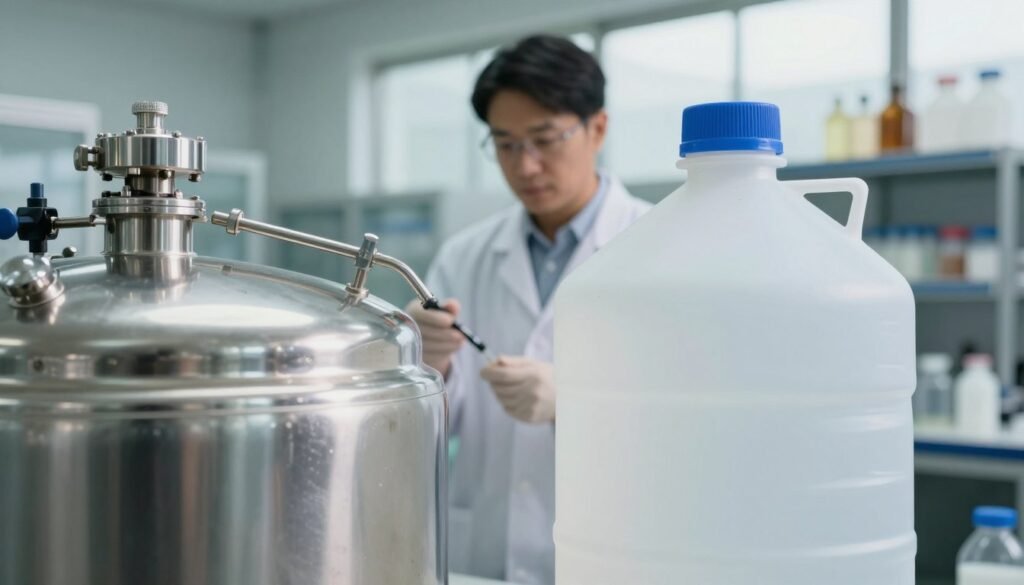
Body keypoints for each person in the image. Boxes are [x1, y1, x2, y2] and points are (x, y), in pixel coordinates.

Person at [405, 34, 651, 585]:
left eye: (544, 139)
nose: (526, 165)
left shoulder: (661, 248)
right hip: (482, 553)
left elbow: (695, 418)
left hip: (616, 551)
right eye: (505, 144)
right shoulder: (464, 255)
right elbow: (431, 430)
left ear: (598, 129)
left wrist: (574, 403)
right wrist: (431, 364)